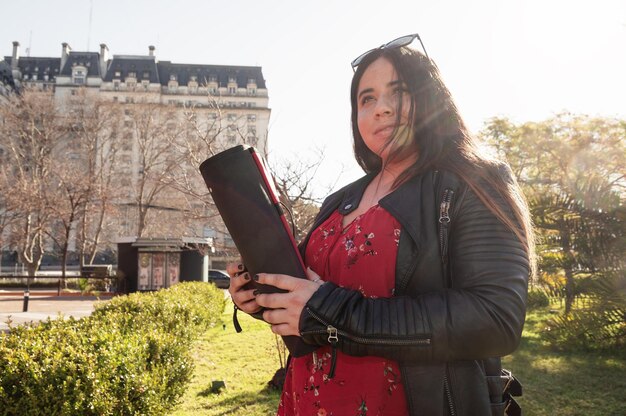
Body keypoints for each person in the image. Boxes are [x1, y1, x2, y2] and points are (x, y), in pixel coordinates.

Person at [228, 33, 533, 416]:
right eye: (366, 99)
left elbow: (494, 317)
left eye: (398, 91)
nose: (381, 109)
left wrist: (333, 314)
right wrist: (264, 297)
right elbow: (311, 297)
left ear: (431, 99)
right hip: (307, 400)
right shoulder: (339, 200)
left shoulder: (472, 182)